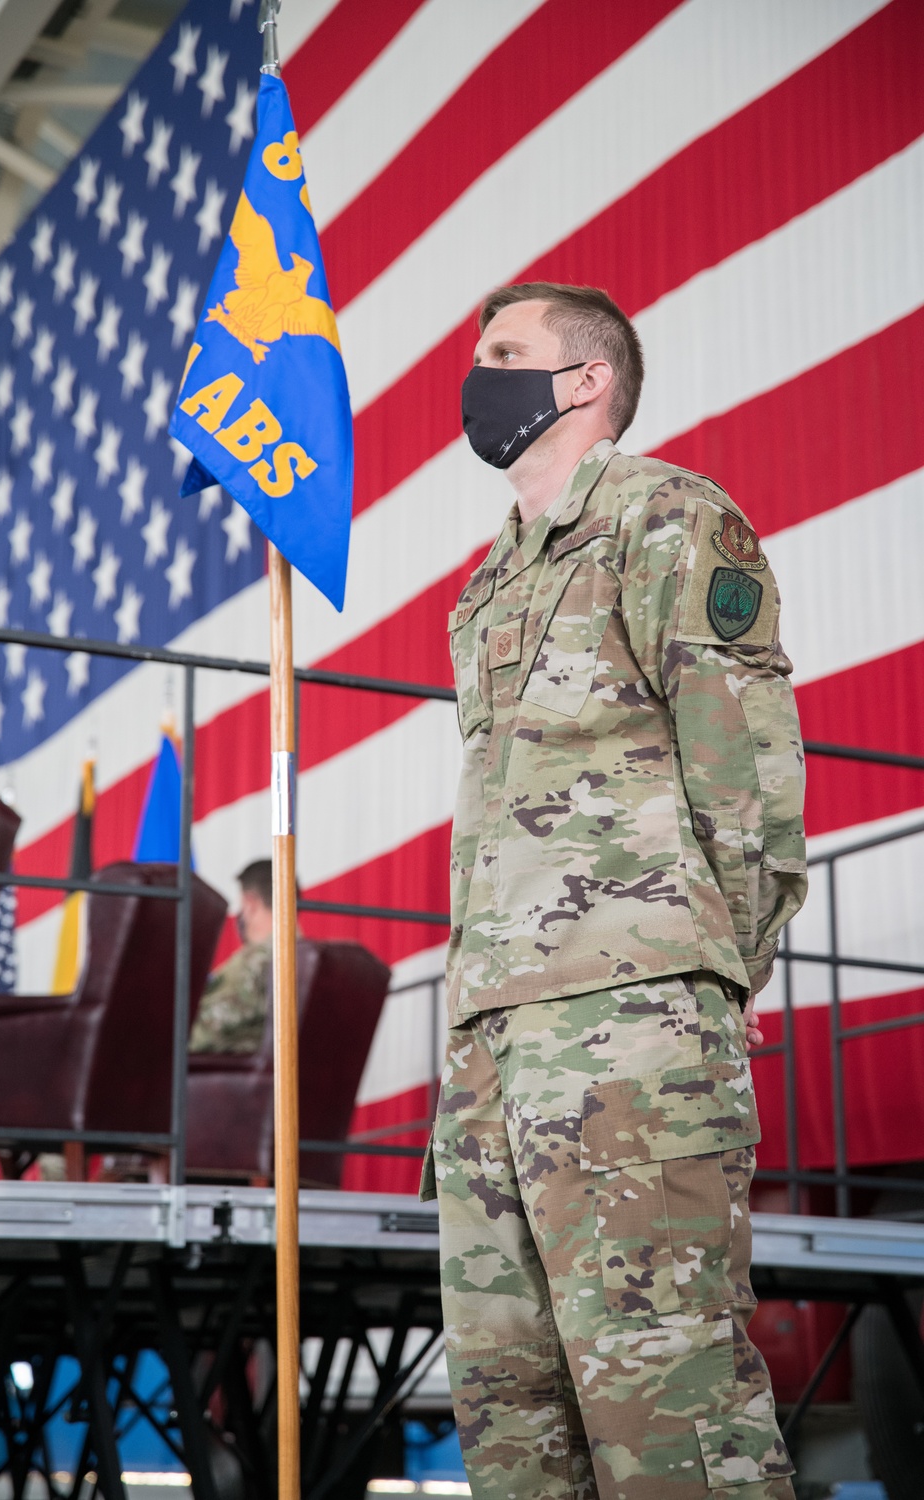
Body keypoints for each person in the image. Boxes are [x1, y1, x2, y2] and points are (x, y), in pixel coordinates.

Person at [422, 282, 807, 1499]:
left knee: (667, 1408)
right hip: (491, 1041)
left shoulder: (669, 521)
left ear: (584, 381)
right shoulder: (488, 585)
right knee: (510, 1418)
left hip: (630, 1029)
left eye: (503, 354)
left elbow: (747, 789)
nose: (476, 377)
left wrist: (695, 982)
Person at [189, 858, 275, 1053]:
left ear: (250, 903)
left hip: (221, 1070)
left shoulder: (256, 960)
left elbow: (212, 1026)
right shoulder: (311, 957)